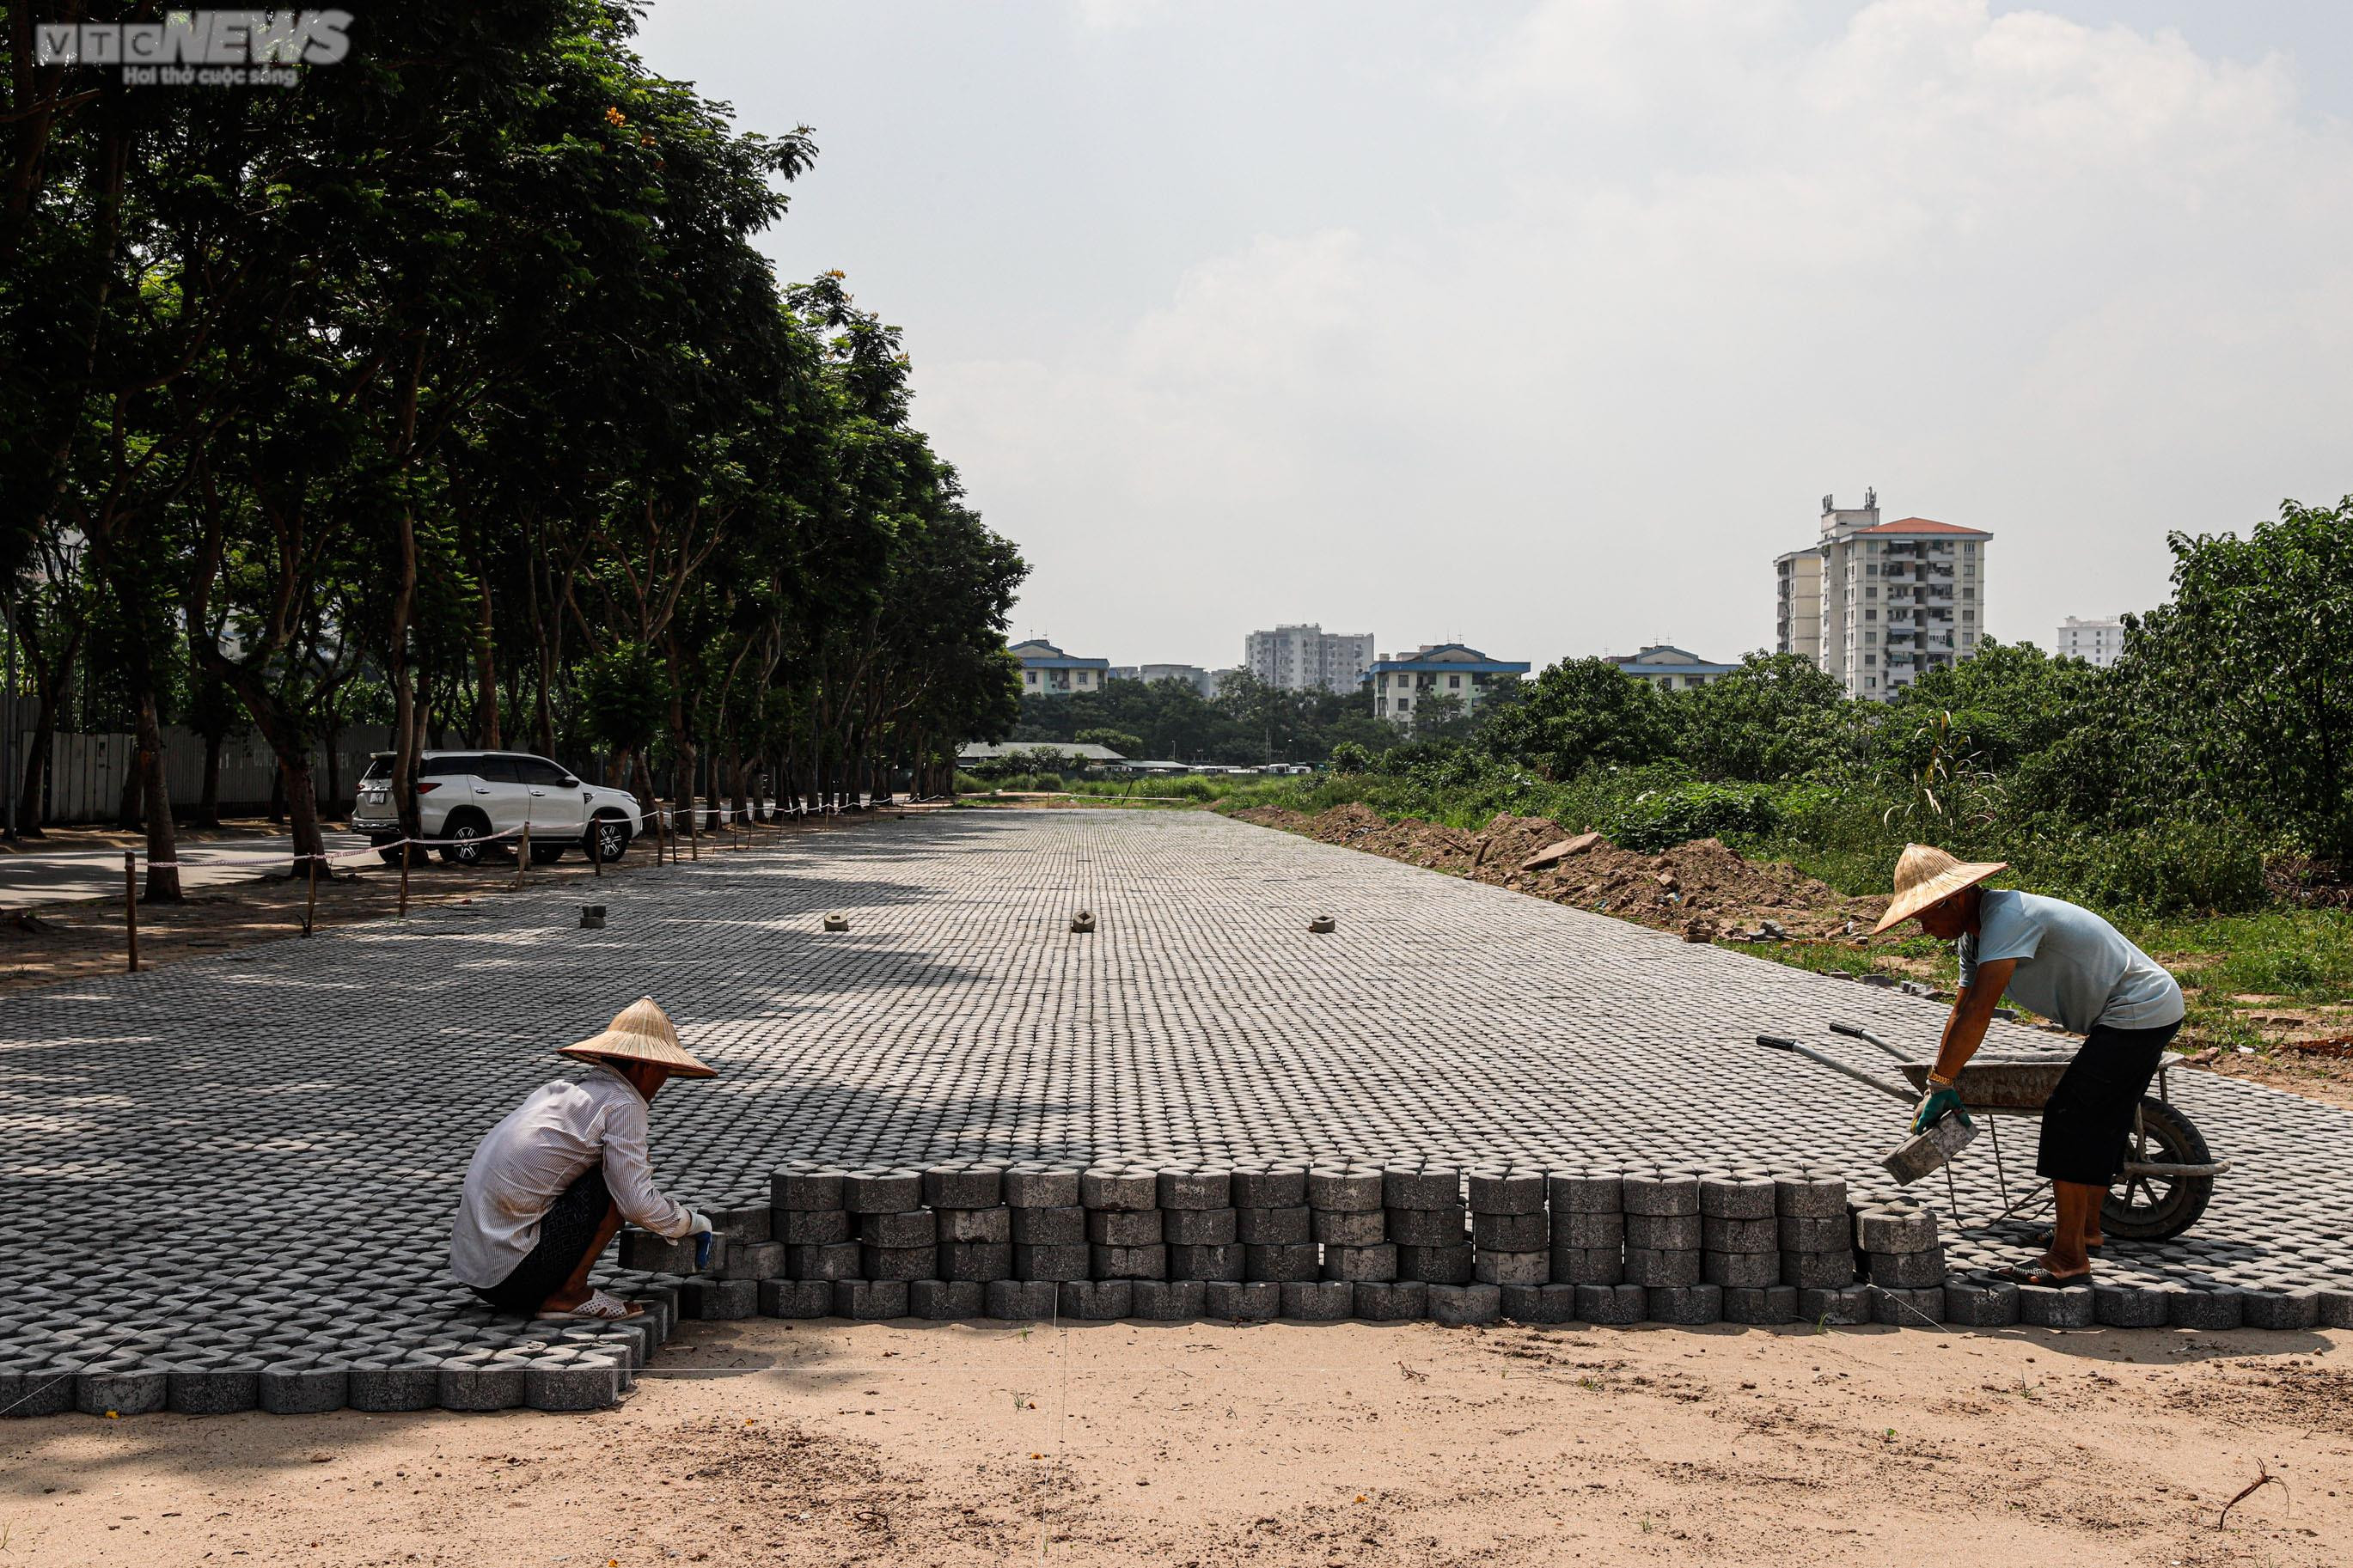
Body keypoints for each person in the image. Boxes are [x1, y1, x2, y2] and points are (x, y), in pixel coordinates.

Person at [1873, 844, 2184, 1288]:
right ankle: (2088, 1231)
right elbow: (1961, 1010)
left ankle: (2067, 1257)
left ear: (1954, 899)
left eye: (1924, 915)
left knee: (2070, 1116)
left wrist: (1942, 1080)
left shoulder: (2007, 918)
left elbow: (1982, 1008)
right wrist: (1938, 1083)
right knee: (2102, 1119)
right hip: (2127, 1013)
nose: (1922, 928)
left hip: (2139, 1008)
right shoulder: (1973, 937)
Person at [449, 996, 717, 1320]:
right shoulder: (623, 1104)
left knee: (608, 1171)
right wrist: (690, 1222)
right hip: (515, 1279)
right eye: (663, 1071)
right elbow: (636, 1203)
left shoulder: (561, 1090)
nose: (663, 1082)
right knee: (613, 1183)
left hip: (476, 1274)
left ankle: (559, 1287)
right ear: (646, 1066)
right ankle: (568, 1293)